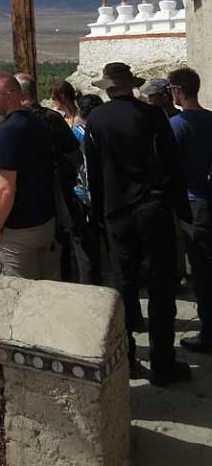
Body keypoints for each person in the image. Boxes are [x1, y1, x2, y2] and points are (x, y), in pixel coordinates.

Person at [85, 62, 191, 386]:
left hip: (117, 214)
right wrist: (179, 209)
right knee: (161, 288)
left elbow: (93, 173)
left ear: (108, 87)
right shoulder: (152, 115)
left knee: (124, 286)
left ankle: (128, 359)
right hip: (152, 209)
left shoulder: (95, 120)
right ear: (131, 85)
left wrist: (100, 215)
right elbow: (172, 164)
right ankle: (162, 362)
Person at [0, 72, 58, 280]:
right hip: (44, 220)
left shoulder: (8, 129)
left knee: (20, 293)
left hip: (19, 229)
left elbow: (7, 188)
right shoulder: (38, 121)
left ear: (9, 96)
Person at [16, 72, 83, 281]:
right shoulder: (52, 117)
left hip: (27, 202)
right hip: (58, 194)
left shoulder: (13, 121)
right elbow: (75, 155)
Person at [168, 67, 212, 354]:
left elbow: (171, 171)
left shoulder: (177, 125)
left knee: (203, 274)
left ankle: (208, 334)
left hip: (194, 205)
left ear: (177, 91)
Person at [72, 93, 104, 284]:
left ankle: (91, 283)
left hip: (81, 195)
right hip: (105, 193)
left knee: (85, 244)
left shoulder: (74, 134)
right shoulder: (104, 132)